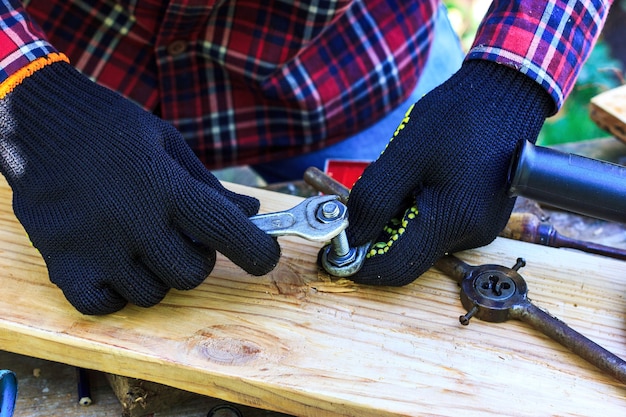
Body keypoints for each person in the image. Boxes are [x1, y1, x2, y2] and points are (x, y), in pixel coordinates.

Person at [0, 0, 612, 314]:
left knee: (426, 197)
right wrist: (28, 99)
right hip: (76, 76)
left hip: (352, 70)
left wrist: (510, 80)